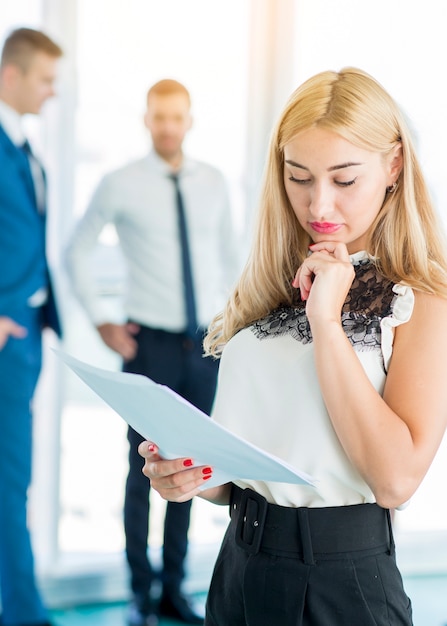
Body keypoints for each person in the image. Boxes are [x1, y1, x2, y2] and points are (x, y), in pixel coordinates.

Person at [138, 67, 447, 626]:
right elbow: (248, 469)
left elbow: (395, 478)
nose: (318, 205)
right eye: (298, 176)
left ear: (394, 165)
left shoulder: (421, 300)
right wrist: (191, 475)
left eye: (344, 180)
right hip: (240, 567)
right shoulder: (271, 286)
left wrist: (326, 322)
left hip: (343, 584)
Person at [65, 79, 239, 625]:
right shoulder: (121, 183)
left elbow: (231, 258)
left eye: (176, 116)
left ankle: (173, 589)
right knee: (142, 470)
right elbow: (76, 250)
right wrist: (102, 321)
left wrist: (234, 327)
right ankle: (141, 593)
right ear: (146, 119)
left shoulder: (213, 183)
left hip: (203, 347)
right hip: (150, 348)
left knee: (192, 469)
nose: (168, 125)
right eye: (159, 116)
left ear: (189, 120)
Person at [0, 27, 63, 626]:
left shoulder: (21, 147)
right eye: (46, 80)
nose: (53, 93)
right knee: (8, 479)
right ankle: (24, 615)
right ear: (12, 75)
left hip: (25, 334)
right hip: (6, 338)